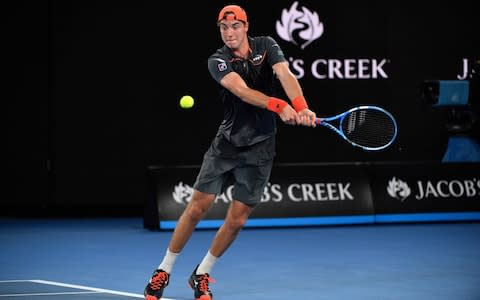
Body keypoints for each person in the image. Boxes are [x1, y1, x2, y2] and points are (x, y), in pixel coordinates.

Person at [144, 4, 317, 300]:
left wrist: (300, 107)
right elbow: (241, 91)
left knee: (237, 219)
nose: (229, 33)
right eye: (224, 28)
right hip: (227, 145)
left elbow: (285, 74)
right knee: (198, 208)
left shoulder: (267, 45)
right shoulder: (218, 60)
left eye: (235, 26)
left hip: (261, 149)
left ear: (246, 26)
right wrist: (279, 106)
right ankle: (163, 271)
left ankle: (201, 274)